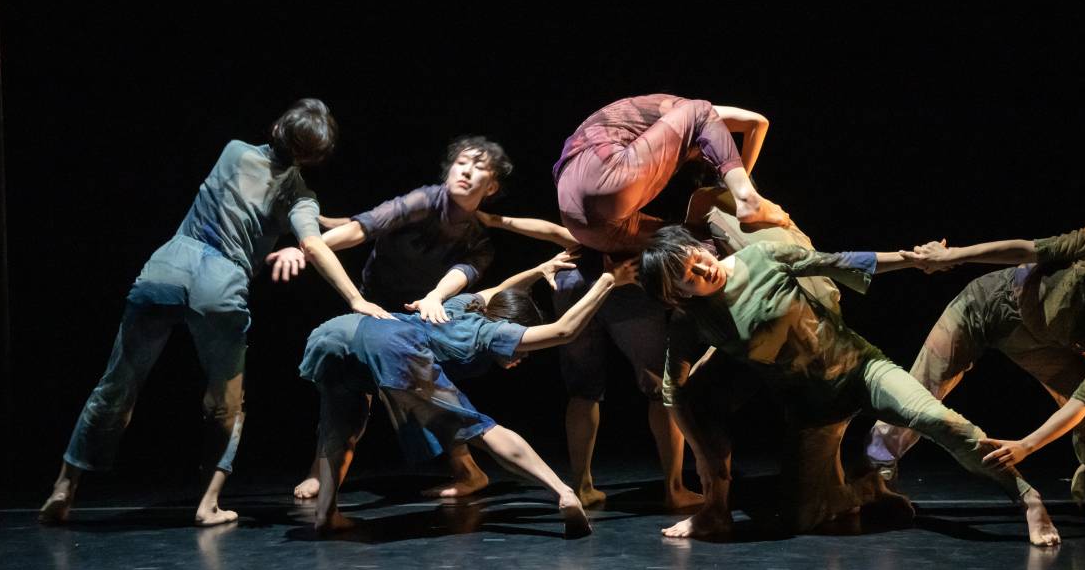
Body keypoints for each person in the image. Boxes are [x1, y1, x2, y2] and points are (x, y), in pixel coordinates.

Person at [40, 99, 390, 527]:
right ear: (314, 156)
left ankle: (65, 485)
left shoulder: (233, 150)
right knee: (227, 404)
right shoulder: (299, 195)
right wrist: (356, 298)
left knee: (117, 384)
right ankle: (208, 504)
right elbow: (312, 244)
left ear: (278, 126)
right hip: (219, 288)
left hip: (166, 269)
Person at [639, 228, 1062, 545]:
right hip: (810, 407)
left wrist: (911, 259)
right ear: (676, 294)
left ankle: (1026, 497)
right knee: (800, 519)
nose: (700, 270)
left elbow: (837, 261)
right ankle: (869, 487)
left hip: (862, 370)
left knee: (937, 419)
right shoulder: (693, 321)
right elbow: (674, 389)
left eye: (693, 258)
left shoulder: (761, 257)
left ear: (699, 246)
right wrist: (704, 466)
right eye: (688, 278)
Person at [870, 227, 1085, 532]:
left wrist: (1028, 444)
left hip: (1039, 344)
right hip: (988, 305)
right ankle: (879, 465)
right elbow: (1027, 249)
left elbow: (1079, 403)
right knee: (921, 387)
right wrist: (953, 257)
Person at [273, 136, 569, 500]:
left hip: (423, 313)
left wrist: (435, 296)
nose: (466, 172)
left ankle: (468, 471)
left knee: (432, 388)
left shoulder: (480, 242)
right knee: (354, 384)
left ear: (491, 186)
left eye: (479, 169)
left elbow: (462, 277)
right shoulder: (424, 201)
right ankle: (320, 470)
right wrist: (311, 247)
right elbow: (362, 227)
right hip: (379, 303)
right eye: (462, 163)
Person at [549, 95, 788, 511]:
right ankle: (674, 487)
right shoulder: (684, 115)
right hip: (600, 206)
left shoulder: (638, 150)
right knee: (661, 387)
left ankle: (583, 487)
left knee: (584, 389)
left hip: (584, 229)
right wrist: (740, 185)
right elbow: (756, 119)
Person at [300, 251, 640, 537]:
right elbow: (564, 330)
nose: (520, 359)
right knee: (481, 428)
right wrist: (608, 281)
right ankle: (563, 493)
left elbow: (501, 291)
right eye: (522, 352)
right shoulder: (491, 332)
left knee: (342, 426)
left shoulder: (464, 306)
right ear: (513, 328)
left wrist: (539, 271)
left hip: (333, 334)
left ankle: (326, 515)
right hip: (390, 346)